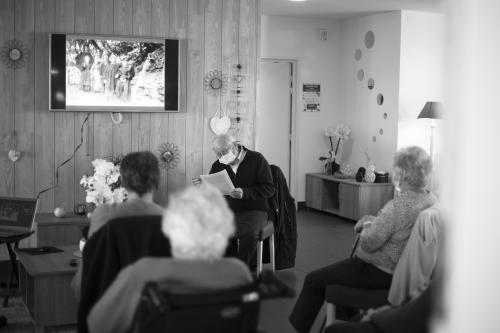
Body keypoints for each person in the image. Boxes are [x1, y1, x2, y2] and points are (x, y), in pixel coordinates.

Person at [289, 146, 437, 333]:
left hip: (376, 270)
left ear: (404, 173)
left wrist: (364, 226)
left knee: (313, 280)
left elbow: (369, 241)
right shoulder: (430, 200)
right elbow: (398, 229)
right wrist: (373, 221)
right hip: (397, 270)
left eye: (396, 169)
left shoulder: (400, 205)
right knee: (338, 290)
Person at [87, 184, 252, 333]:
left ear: (172, 229)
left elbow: (97, 325)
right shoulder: (239, 271)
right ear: (224, 229)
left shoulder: (143, 272)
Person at [71, 151, 163, 301]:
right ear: (156, 181)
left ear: (123, 182)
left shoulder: (103, 214)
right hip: (151, 306)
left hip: (105, 302)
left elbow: (90, 267)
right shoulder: (169, 220)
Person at [194, 134, 275, 267]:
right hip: (229, 209)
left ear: (235, 147)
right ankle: (227, 269)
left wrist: (245, 193)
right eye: (218, 154)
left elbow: (269, 189)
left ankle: (242, 270)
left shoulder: (256, 159)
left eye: (223, 153)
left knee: (248, 232)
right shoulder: (219, 164)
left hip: (254, 209)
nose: (221, 157)